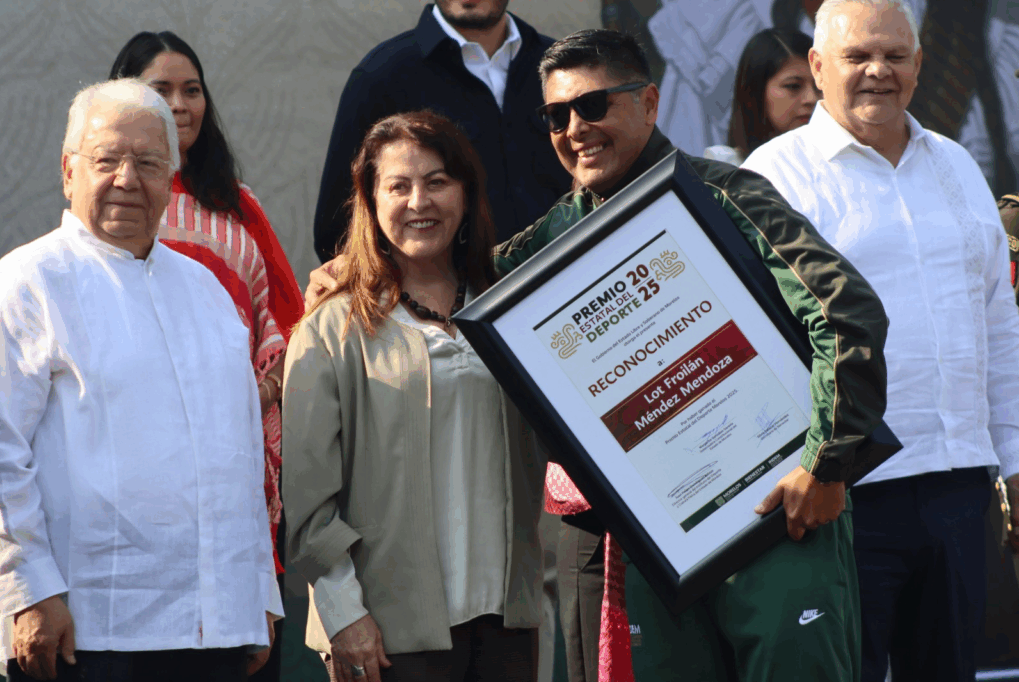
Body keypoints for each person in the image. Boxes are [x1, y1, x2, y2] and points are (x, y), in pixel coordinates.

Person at [306, 28, 888, 682]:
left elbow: (845, 314)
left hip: (782, 518)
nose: (575, 130)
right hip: (659, 550)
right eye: (556, 117)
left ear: (649, 103)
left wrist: (826, 463)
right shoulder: (546, 244)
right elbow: (448, 272)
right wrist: (359, 270)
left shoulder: (726, 194)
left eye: (592, 106)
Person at [742, 1, 1019, 680]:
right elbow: (755, 338)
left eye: (895, 56)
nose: (878, 71)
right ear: (818, 66)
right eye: (857, 56)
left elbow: (997, 324)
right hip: (842, 493)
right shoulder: (776, 174)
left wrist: (1014, 462)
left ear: (919, 65)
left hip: (959, 485)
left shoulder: (956, 164)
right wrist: (816, 466)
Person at [0, 79, 282, 682]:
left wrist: (255, 592)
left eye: (149, 164)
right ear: (68, 172)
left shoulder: (207, 291)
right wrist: (29, 589)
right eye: (107, 160)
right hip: (84, 627)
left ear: (170, 180)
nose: (127, 179)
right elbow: (0, 449)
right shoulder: (28, 281)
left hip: (214, 630)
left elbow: (238, 452)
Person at [283, 111, 547, 682]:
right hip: (387, 633)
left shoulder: (510, 307)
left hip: (507, 621)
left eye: (437, 181)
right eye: (398, 186)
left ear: (466, 193)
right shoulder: (332, 327)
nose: (419, 202)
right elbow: (307, 503)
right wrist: (344, 615)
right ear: (370, 202)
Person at [108, 33, 305, 622]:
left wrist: (261, 391)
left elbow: (288, 320)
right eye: (160, 89)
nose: (179, 104)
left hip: (234, 439)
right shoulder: (114, 206)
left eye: (191, 90)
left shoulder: (238, 205)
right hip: (134, 447)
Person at [312, 0, 572, 260]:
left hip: (576, 272)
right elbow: (338, 234)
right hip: (456, 286)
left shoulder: (566, 68)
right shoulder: (380, 77)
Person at [703, 27, 819, 165]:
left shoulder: (837, 164)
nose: (812, 99)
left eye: (819, 87)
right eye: (793, 86)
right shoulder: (728, 167)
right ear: (755, 91)